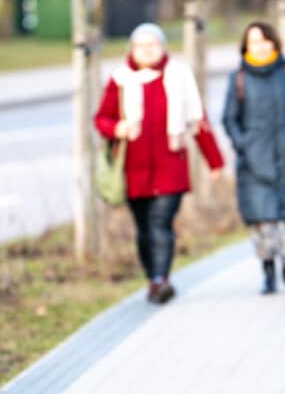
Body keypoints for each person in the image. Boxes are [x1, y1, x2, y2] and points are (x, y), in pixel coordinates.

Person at [94, 23, 224, 304]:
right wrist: (117, 128)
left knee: (160, 222)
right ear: (132, 49)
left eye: (152, 44)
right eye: (140, 45)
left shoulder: (179, 75)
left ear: (163, 47)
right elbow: (101, 119)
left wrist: (215, 161)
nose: (146, 50)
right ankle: (152, 275)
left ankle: (161, 280)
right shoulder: (120, 79)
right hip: (134, 170)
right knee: (144, 229)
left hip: (170, 167)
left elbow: (198, 121)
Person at [222, 22, 285, 295]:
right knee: (263, 221)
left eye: (264, 40)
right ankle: (269, 272)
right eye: (253, 42)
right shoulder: (238, 77)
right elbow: (229, 118)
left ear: (274, 42)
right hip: (254, 159)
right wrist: (243, 144)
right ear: (245, 47)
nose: (260, 46)